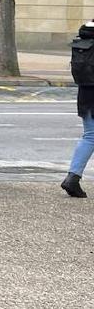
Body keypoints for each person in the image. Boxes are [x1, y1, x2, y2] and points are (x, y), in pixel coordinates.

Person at [62, 20, 94, 197]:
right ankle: (72, 179)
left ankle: (73, 177)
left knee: (89, 136)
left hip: (85, 93)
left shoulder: (84, 36)